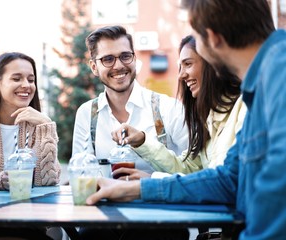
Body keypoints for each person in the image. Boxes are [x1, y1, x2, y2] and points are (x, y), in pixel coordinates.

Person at [86, 0, 286, 239]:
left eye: (196, 39)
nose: (181, 74)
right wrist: (134, 189)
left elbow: (277, 204)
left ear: (213, 38)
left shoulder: (279, 78)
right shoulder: (261, 85)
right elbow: (228, 179)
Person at [112, 35, 246, 181]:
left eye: (188, 64)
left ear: (211, 62)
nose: (181, 75)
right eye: (180, 67)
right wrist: (142, 141)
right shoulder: (208, 120)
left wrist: (152, 179)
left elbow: (225, 182)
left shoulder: (243, 108)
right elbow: (187, 168)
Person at [72, 25, 188, 174]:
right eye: (108, 59)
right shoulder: (86, 114)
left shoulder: (169, 108)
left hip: (158, 198)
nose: (119, 65)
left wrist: (148, 182)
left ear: (134, 58)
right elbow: (81, 174)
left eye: (125, 56)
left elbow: (195, 171)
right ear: (94, 67)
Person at [0, 52, 61, 191]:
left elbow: (48, 180)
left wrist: (46, 126)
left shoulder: (40, 126)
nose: (26, 85)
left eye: (31, 80)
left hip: (34, 208)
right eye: (16, 79)